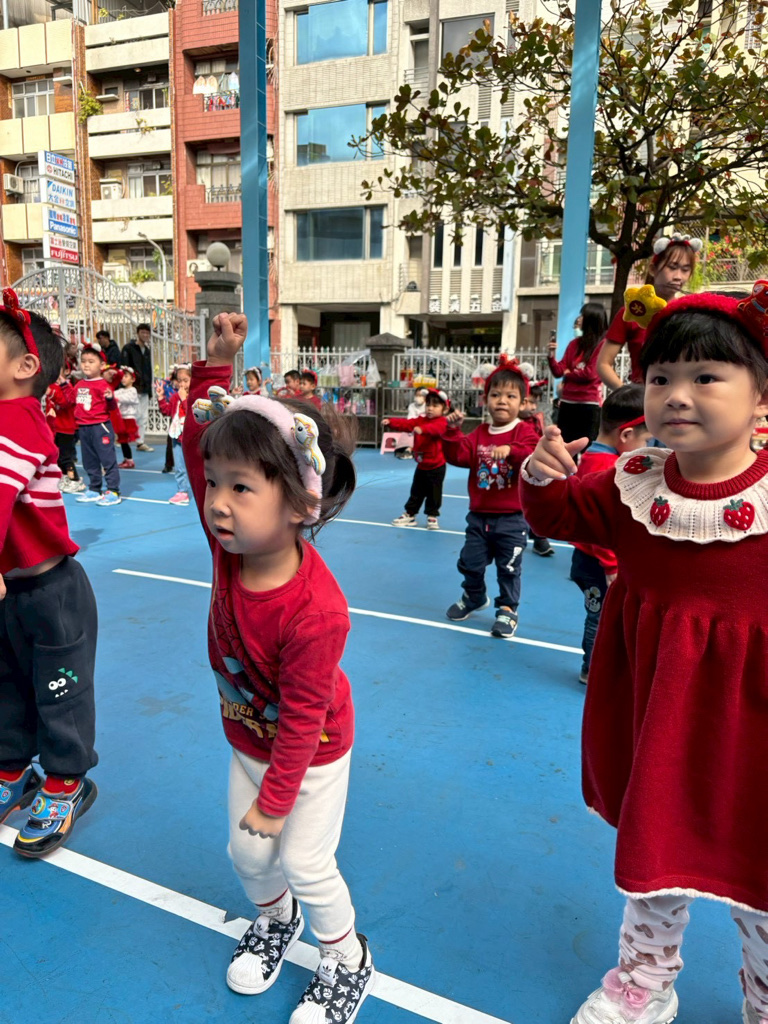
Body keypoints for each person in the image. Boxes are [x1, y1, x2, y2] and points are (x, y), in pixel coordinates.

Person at [520, 281, 768, 1024]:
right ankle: (645, 979)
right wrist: (542, 476)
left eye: (706, 376)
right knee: (656, 853)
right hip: (660, 714)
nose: (676, 395)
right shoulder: (634, 483)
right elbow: (563, 512)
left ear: (762, 397)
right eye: (660, 378)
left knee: (761, 873)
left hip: (751, 727)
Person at [182, 312, 374, 1024]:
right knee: (248, 856)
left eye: (241, 488)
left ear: (299, 505)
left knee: (305, 863)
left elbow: (303, 717)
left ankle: (347, 957)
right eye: (214, 484)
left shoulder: (316, 611)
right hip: (248, 740)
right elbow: (195, 441)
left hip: (311, 750)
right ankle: (276, 920)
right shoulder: (228, 548)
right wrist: (215, 365)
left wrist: (277, 801)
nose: (217, 503)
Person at [0, 289, 98, 858]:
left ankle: (66, 779)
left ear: (25, 367)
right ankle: (13, 768)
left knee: (61, 691)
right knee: (6, 683)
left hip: (50, 591)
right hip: (11, 589)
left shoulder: (20, 419)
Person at [442, 357, 539, 638]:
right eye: (495, 395)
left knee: (508, 567)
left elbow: (532, 454)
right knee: (469, 562)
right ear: (486, 400)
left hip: (512, 518)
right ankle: (474, 596)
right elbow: (459, 456)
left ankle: (508, 608)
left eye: (510, 396)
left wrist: (511, 450)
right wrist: (452, 432)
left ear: (523, 402)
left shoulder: (524, 431)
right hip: (479, 516)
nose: (502, 401)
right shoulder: (480, 433)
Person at [568, 385, 650, 685]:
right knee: (599, 616)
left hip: (592, 560)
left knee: (604, 613)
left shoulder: (594, 457)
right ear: (626, 435)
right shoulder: (607, 469)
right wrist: (611, 565)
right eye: (646, 440)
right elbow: (599, 525)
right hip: (597, 563)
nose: (648, 446)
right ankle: (591, 669)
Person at [597, 233, 702, 390]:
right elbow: (603, 364)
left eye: (685, 270)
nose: (678, 277)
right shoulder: (632, 311)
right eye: (672, 267)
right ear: (653, 269)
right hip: (642, 396)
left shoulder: (689, 312)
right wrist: (630, 396)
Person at [382, 388, 450, 530]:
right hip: (421, 465)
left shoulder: (443, 422)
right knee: (416, 491)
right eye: (428, 404)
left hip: (437, 466)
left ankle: (432, 516)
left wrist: (423, 430)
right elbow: (406, 424)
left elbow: (436, 429)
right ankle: (410, 514)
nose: (430, 408)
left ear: (445, 409)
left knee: (434, 493)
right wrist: (391, 422)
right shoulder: (420, 420)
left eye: (435, 406)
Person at [548, 302, 609, 443]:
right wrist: (551, 355)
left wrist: (568, 374)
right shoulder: (573, 344)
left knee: (588, 445)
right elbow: (558, 371)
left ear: (592, 319)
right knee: (566, 446)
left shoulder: (602, 344)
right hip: (567, 403)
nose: (579, 319)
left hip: (589, 405)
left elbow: (590, 374)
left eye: (583, 315)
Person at [73, 342, 121, 506]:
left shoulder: (103, 385)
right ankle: (94, 488)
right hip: (84, 428)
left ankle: (113, 491)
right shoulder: (79, 384)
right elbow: (70, 401)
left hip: (100, 427)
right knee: (89, 460)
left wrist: (110, 399)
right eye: (83, 361)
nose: (86, 364)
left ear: (101, 365)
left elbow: (112, 407)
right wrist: (63, 385)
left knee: (107, 459)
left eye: (91, 361)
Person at [155, 363, 191, 505]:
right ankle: (182, 491)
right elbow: (167, 411)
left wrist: (184, 399)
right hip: (177, 436)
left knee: (196, 466)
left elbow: (192, 415)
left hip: (190, 437)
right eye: (179, 381)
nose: (182, 384)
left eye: (186, 380)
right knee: (179, 466)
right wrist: (161, 398)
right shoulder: (176, 396)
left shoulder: (194, 396)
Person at [45, 369, 84, 493]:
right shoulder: (50, 386)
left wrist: (51, 393)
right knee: (58, 456)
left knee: (66, 457)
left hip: (65, 428)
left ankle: (75, 480)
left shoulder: (66, 387)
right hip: (54, 428)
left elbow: (66, 402)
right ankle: (65, 477)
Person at [121, 322, 154, 451]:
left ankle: (140, 442)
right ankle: (123, 439)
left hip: (144, 388)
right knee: (128, 414)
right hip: (132, 388)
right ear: (138, 333)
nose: (145, 335)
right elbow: (124, 368)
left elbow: (149, 370)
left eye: (147, 333)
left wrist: (149, 389)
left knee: (143, 416)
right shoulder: (128, 349)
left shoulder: (147, 351)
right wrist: (126, 385)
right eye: (143, 332)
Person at [115, 366, 140, 469]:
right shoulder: (121, 390)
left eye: (126, 376)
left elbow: (129, 399)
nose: (123, 379)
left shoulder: (133, 390)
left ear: (132, 379)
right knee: (122, 441)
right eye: (122, 377)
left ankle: (130, 460)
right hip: (121, 418)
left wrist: (115, 397)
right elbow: (113, 394)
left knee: (124, 441)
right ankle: (126, 458)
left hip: (128, 418)